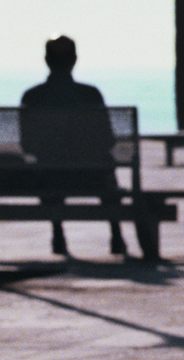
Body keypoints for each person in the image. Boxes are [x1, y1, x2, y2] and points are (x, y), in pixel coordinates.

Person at [20, 36, 127, 256]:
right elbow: (108, 139)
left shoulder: (32, 96)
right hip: (93, 176)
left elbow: (27, 145)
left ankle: (58, 235)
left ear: (47, 60)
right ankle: (116, 235)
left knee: (46, 170)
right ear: (74, 60)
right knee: (106, 167)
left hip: (50, 177)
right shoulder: (91, 94)